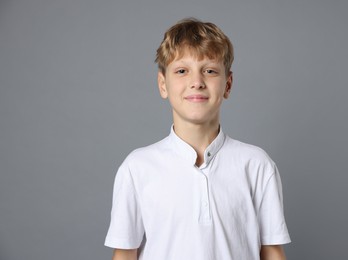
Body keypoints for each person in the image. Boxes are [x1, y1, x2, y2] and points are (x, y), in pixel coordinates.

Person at [104, 18, 291, 260]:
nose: (197, 82)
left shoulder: (256, 165)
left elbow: (272, 251)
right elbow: (125, 254)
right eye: (182, 71)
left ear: (228, 84)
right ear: (163, 85)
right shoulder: (137, 168)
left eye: (210, 71)